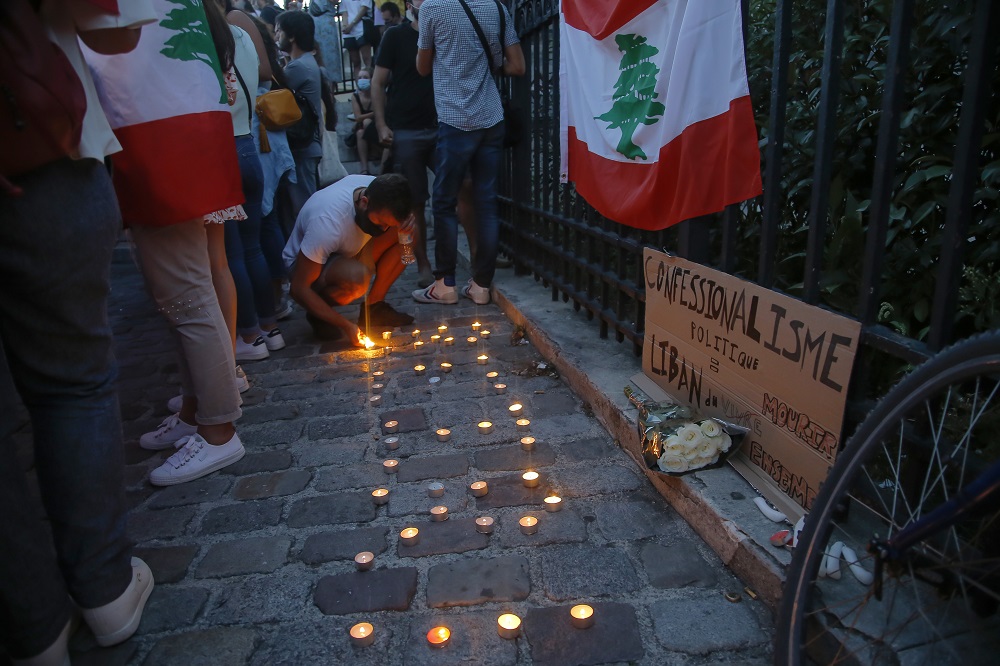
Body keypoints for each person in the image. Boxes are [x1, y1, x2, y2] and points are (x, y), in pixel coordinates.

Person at [1, 2, 157, 663]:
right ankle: (106, 588)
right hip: (40, 160)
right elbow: (113, 28)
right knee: (74, 383)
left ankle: (32, 630)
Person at [412, 0, 524, 306]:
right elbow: (517, 65)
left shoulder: (433, 8)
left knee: (445, 201)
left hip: (455, 118)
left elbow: (422, 67)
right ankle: (481, 285)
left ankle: (444, 283)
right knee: (486, 202)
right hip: (490, 116)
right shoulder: (498, 8)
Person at [284, 174, 417, 343]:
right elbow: (298, 289)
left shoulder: (381, 190)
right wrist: (347, 326)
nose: (383, 229)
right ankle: (320, 313)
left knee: (409, 231)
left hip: (348, 248)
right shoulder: (327, 222)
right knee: (357, 279)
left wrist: (405, 232)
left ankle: (373, 307)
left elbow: (397, 222)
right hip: (307, 265)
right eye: (380, 222)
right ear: (364, 202)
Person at [276, 10, 323, 221]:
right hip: (307, 147)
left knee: (303, 211)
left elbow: (272, 94)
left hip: (302, 148)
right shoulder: (306, 62)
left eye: (279, 31)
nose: (276, 36)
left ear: (292, 36)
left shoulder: (299, 67)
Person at [351, 69, 388, 176]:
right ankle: (364, 167)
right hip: (362, 126)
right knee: (360, 132)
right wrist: (374, 113)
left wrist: (372, 116)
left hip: (379, 126)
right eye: (360, 77)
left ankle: (376, 152)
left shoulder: (379, 93)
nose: (362, 80)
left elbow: (385, 110)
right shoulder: (355, 96)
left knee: (366, 123)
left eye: (365, 77)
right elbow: (358, 118)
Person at [339, 0, 370, 77]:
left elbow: (363, 9)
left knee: (367, 60)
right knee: (355, 62)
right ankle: (359, 87)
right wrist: (345, 25)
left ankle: (370, 84)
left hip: (362, 30)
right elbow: (344, 13)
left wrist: (351, 25)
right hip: (349, 34)